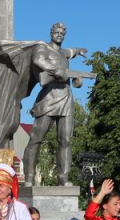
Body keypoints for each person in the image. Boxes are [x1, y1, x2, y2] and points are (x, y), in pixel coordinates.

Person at [23, 22, 89, 186]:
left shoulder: (64, 53)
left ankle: (63, 178)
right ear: (51, 33)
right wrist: (55, 71)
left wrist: (78, 51)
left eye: (62, 33)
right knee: (36, 138)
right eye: (56, 32)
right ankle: (29, 178)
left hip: (66, 97)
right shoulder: (42, 48)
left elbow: (69, 52)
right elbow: (38, 60)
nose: (59, 35)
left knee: (65, 140)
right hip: (48, 97)